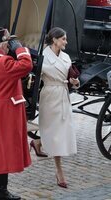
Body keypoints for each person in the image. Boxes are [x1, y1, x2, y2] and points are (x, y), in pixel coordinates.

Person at [0, 27, 32, 200]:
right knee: (2, 151)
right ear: (3, 44)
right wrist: (20, 48)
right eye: (8, 43)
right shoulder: (4, 62)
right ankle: (0, 192)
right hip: (5, 112)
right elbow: (27, 65)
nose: (9, 47)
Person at [39, 27, 79, 188]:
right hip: (49, 96)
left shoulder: (66, 57)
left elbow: (70, 78)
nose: (66, 42)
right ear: (54, 40)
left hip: (63, 95)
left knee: (60, 132)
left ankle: (38, 142)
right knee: (54, 133)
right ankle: (59, 171)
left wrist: (74, 83)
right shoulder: (43, 56)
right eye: (63, 39)